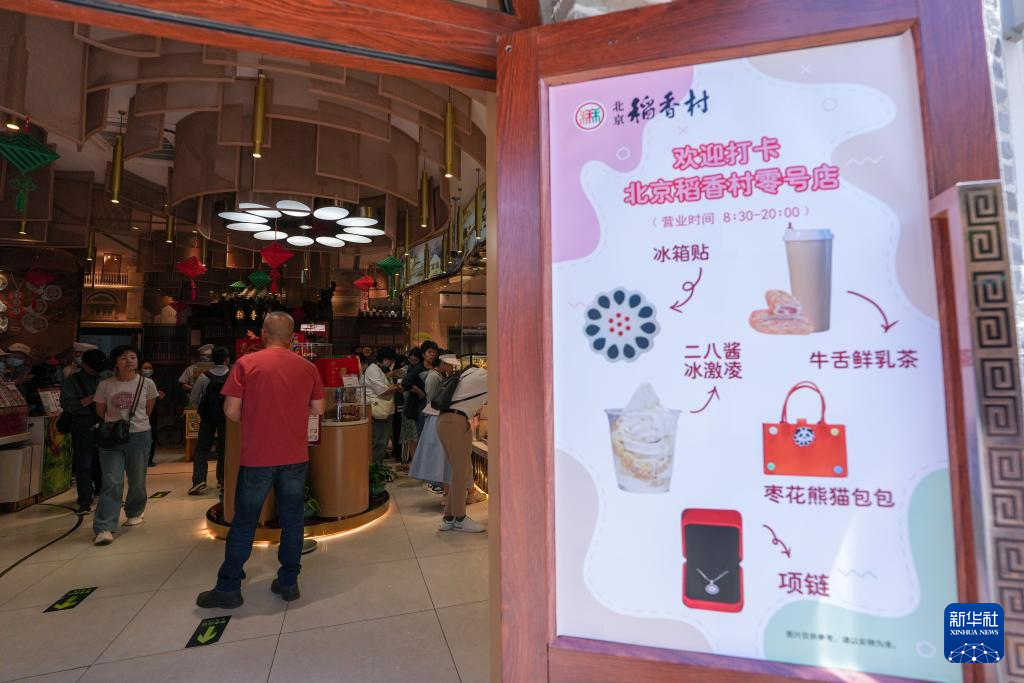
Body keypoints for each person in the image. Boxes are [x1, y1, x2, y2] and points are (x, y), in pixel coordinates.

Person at [196, 312, 324, 609]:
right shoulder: (308, 367)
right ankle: (288, 582)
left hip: (257, 456)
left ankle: (228, 588)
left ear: (263, 334)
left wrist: (257, 417)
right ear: (292, 337)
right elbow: (318, 408)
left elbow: (230, 411)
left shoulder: (246, 364)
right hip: (295, 456)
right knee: (293, 520)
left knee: (245, 521)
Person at [92, 345, 159, 545]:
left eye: (132, 357)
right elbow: (100, 411)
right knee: (112, 479)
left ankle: (135, 511)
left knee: (137, 477)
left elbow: (148, 410)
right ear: (115, 362)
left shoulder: (147, 383)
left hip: (139, 435)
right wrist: (116, 423)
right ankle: (104, 526)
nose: (129, 361)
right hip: (111, 437)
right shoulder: (105, 385)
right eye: (123, 357)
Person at [436, 354, 488, 533]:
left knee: (460, 470)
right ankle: (460, 518)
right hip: (455, 422)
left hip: (448, 421)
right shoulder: (484, 376)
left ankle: (449, 517)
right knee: (460, 471)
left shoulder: (468, 374)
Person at [59, 348, 106, 516]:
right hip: (83, 423)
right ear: (85, 365)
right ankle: (85, 501)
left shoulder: (105, 376)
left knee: (104, 460)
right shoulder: (73, 381)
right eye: (93, 368)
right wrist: (92, 398)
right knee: (84, 464)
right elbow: (67, 404)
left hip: (105, 422)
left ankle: (103, 493)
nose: (96, 371)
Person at [188, 346, 231, 495]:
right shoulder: (232, 376)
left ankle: (199, 480)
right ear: (227, 360)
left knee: (202, 448)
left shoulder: (204, 376)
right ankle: (223, 479)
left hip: (207, 418)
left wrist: (201, 410)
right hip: (226, 418)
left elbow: (193, 398)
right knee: (224, 448)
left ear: (213, 360)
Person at [364, 347, 401, 464]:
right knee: (379, 441)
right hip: (378, 411)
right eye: (391, 361)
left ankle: (377, 466)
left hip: (382, 410)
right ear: (385, 359)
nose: (392, 363)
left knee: (381, 440)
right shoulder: (373, 370)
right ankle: (375, 469)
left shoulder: (377, 369)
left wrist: (389, 375)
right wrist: (399, 387)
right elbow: (383, 391)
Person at [399, 347, 425, 464]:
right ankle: (415, 464)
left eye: (415, 360)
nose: (413, 362)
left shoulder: (420, 369)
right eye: (411, 360)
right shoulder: (412, 369)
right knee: (411, 438)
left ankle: (416, 465)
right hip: (410, 407)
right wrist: (418, 391)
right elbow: (404, 384)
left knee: (416, 437)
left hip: (415, 407)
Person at [140, 361, 166, 467]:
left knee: (151, 435)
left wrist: (159, 395)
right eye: (145, 368)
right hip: (139, 412)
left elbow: (162, 394)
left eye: (149, 368)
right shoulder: (136, 381)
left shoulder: (155, 381)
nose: (147, 370)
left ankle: (149, 459)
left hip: (152, 411)